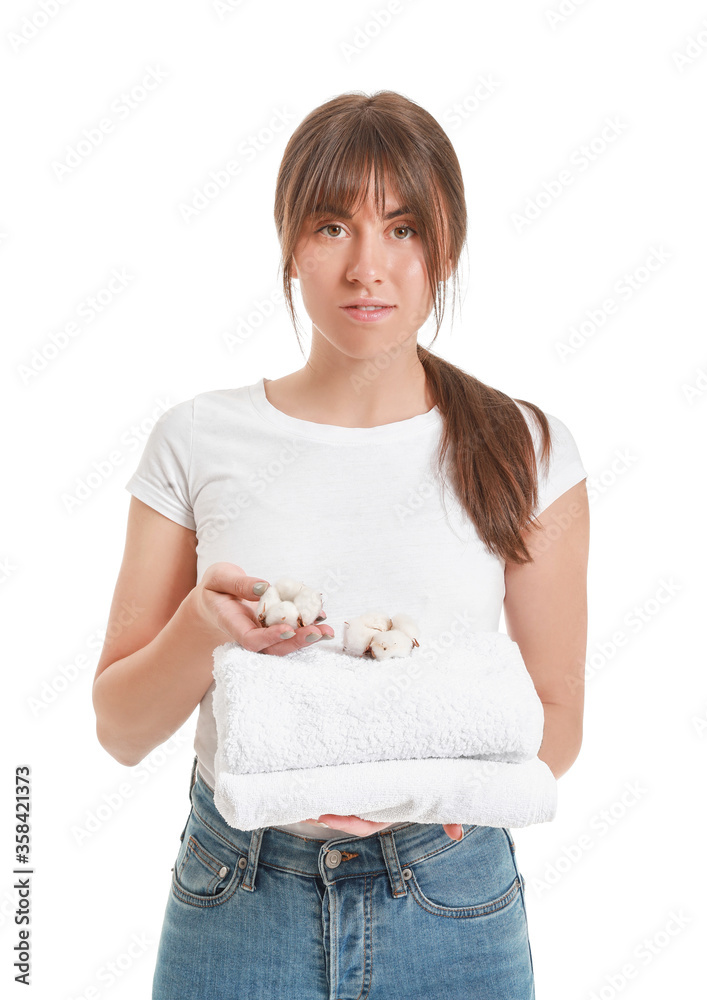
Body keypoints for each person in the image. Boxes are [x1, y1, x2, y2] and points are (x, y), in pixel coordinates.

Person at [92, 89, 589, 999]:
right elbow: (119, 729)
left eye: (402, 228)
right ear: (290, 245)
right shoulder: (197, 438)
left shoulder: (527, 446)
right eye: (332, 226)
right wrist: (204, 630)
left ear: (445, 246)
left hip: (451, 897)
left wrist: (415, 800)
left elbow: (553, 718)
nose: (369, 267)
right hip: (238, 892)